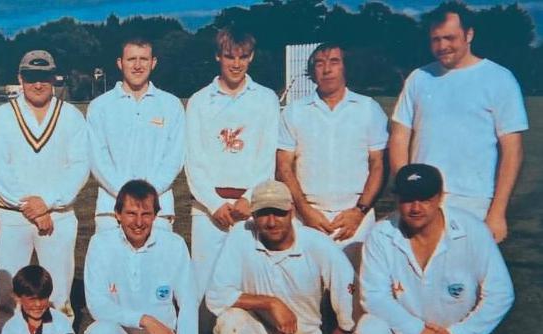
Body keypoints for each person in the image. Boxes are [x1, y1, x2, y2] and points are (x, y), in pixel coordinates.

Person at [354, 164, 515, 334]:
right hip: (403, 327)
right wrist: (422, 333)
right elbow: (374, 297)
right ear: (397, 198)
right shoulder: (381, 234)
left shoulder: (472, 230)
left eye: (425, 199)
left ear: (440, 196)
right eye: (408, 199)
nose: (416, 207)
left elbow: (500, 295)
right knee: (370, 329)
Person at [389, 2, 528, 243]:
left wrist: (497, 212)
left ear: (469, 34)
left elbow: (512, 150)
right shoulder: (419, 78)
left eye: (449, 38)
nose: (442, 46)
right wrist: (406, 193)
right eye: (435, 39)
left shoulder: (499, 78)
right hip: (422, 201)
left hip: (473, 203)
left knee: (465, 281)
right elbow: (399, 138)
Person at [206, 180, 355, 334]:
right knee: (231, 324)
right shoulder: (240, 235)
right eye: (263, 214)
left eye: (278, 213)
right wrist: (270, 303)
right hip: (256, 323)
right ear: (253, 215)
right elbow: (216, 295)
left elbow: (350, 307)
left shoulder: (318, 245)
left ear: (292, 211)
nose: (271, 222)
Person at [0, 50, 90, 316]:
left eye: (44, 77)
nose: (38, 84)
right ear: (20, 78)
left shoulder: (71, 116)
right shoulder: (2, 116)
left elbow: (79, 167)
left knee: (58, 292)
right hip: (12, 216)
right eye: (31, 77)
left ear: (54, 78)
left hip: (57, 216)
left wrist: (47, 203)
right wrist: (31, 206)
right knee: (8, 290)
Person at [185, 27, 280, 297]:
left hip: (249, 208)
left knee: (249, 281)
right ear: (218, 57)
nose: (236, 64)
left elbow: (266, 157)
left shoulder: (266, 99)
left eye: (243, 57)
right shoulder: (199, 101)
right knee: (204, 283)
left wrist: (249, 198)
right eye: (229, 57)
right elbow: (194, 160)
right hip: (207, 209)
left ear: (251, 57)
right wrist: (214, 204)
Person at [277, 42, 387, 266]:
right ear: (313, 71)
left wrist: (359, 212)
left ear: (345, 67)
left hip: (356, 219)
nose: (327, 70)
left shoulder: (368, 108)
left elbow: (379, 164)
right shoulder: (294, 111)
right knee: (308, 293)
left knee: (354, 291)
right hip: (307, 218)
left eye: (334, 62)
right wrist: (305, 212)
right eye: (319, 63)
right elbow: (283, 167)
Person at [83, 180, 198, 334]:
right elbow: (97, 305)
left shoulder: (174, 245)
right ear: (117, 214)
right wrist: (145, 320)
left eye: (146, 214)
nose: (138, 222)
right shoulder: (100, 244)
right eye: (130, 213)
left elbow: (189, 304)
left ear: (155, 215)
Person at [88, 37, 185, 232]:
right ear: (120, 63)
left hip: (158, 211)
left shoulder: (172, 105)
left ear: (153, 62)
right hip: (111, 210)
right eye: (131, 59)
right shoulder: (99, 107)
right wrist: (125, 196)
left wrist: (148, 196)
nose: (138, 66)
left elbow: (174, 158)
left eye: (144, 59)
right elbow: (97, 159)